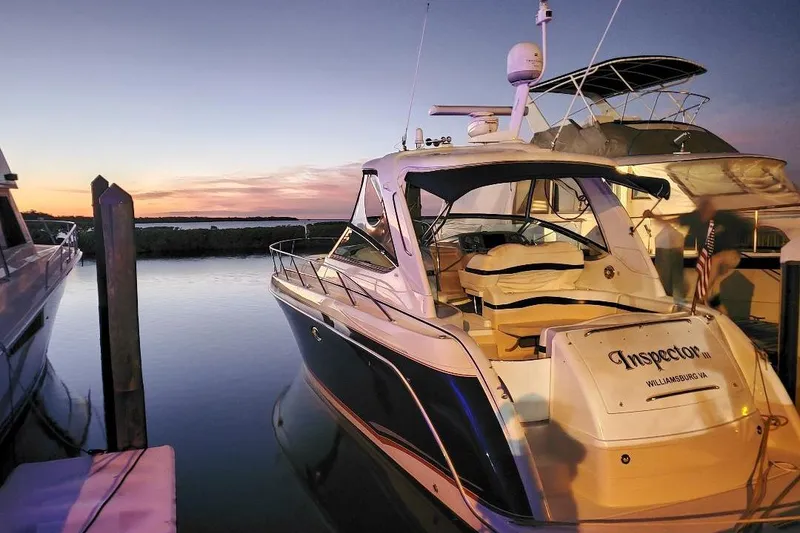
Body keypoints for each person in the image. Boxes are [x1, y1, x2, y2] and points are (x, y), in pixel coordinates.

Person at [643, 196, 753, 308]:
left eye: (709, 211)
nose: (707, 215)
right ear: (700, 210)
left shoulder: (723, 217)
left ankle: (701, 296)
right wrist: (652, 216)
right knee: (712, 286)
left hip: (730, 256)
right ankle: (718, 309)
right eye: (704, 211)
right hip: (709, 260)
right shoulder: (693, 218)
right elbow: (671, 220)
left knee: (714, 261)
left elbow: (747, 226)